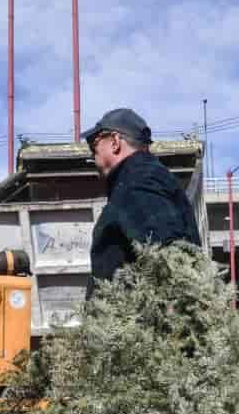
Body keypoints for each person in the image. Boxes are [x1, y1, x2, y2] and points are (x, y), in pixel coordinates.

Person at [82, 108, 200, 296]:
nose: (92, 155)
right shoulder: (139, 178)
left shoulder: (137, 182)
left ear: (115, 142)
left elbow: (170, 260)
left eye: (93, 144)